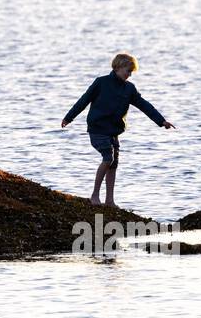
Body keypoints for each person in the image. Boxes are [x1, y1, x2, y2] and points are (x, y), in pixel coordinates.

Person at [61, 52, 175, 207]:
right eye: (128, 71)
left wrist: (162, 121)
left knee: (113, 164)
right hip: (98, 129)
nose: (129, 75)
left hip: (114, 131)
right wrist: (69, 117)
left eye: (131, 72)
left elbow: (144, 106)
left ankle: (110, 200)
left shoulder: (129, 89)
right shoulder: (101, 82)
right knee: (108, 158)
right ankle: (94, 195)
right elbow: (84, 100)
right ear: (118, 67)